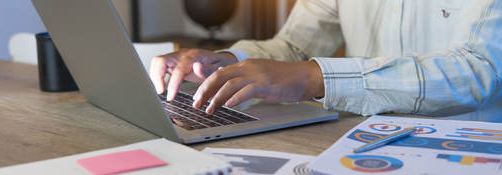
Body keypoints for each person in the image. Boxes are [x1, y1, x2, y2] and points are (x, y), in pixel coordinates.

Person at [150, 0, 502, 122]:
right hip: (361, 139)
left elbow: (477, 70)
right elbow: (295, 46)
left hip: (471, 148)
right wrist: (226, 65)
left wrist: (315, 78)